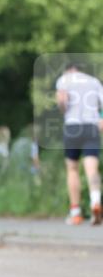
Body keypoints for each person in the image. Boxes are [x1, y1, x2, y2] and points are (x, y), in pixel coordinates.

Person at [55, 62, 103, 225]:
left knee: (72, 169)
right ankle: (95, 201)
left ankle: (75, 212)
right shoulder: (94, 81)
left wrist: (62, 103)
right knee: (92, 168)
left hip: (72, 127)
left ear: (68, 70)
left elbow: (62, 104)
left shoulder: (64, 80)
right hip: (91, 126)